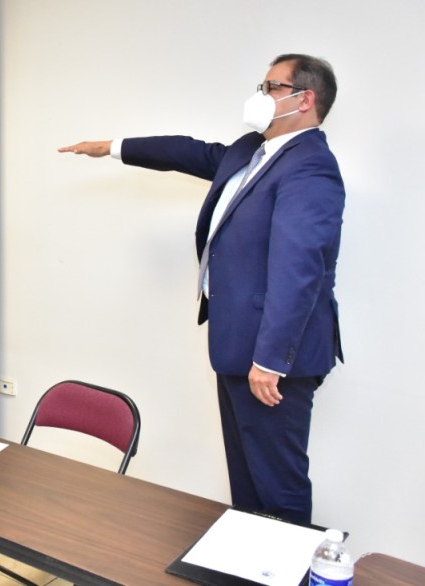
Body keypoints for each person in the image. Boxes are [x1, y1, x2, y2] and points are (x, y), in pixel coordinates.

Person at [58, 54, 344, 524]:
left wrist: (271, 361)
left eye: (271, 87)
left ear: (305, 99)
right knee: (247, 479)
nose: (260, 95)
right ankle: (249, 558)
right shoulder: (254, 151)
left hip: (272, 359)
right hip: (237, 344)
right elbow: (186, 152)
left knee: (279, 484)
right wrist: (111, 147)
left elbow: (299, 271)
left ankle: (292, 562)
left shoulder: (311, 167)